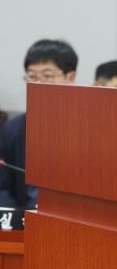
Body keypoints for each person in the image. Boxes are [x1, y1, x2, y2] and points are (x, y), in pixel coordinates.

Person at [0, 39, 78, 209]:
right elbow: (3, 187)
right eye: (32, 76)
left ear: (70, 77)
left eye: (47, 76)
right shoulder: (13, 129)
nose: (37, 84)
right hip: (25, 216)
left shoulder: (86, 128)